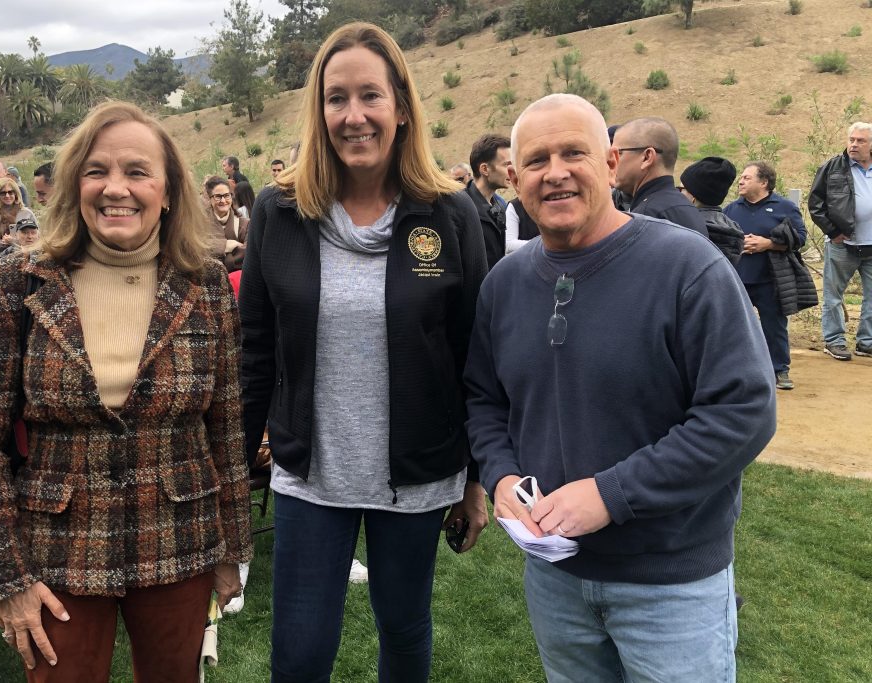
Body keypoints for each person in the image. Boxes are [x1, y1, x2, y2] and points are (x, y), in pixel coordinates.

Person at [464, 94, 776, 682]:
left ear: (611, 165)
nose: (555, 172)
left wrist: (611, 494)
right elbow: (484, 400)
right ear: (513, 178)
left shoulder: (688, 268)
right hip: (555, 579)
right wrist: (501, 475)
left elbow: (743, 412)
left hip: (671, 581)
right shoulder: (503, 285)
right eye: (536, 160)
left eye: (573, 152)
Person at [0, 100, 253, 682]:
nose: (117, 188)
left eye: (137, 171)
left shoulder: (206, 284)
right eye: (98, 171)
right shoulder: (19, 282)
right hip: (56, 550)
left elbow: (226, 427)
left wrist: (231, 549)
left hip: (181, 540)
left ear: (167, 191)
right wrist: (7, 580)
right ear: (74, 185)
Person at [239, 22, 489, 682]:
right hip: (310, 471)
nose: (354, 116)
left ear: (401, 107)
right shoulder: (278, 210)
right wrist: (236, 469)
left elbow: (476, 357)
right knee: (299, 648)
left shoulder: (451, 213)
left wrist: (478, 479)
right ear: (318, 113)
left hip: (417, 471)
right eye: (336, 98)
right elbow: (255, 350)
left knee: (404, 630)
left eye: (370, 96)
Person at [724, 161, 807, 390]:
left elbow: (800, 239)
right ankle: (735, 371)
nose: (740, 181)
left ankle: (779, 370)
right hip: (738, 279)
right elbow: (720, 239)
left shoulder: (784, 207)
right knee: (733, 327)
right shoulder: (731, 209)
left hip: (771, 279)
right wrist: (739, 245)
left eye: (747, 178)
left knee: (774, 326)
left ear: (764, 182)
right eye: (741, 178)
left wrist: (768, 243)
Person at [808, 121, 872, 361]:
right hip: (842, 245)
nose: (854, 145)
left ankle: (866, 342)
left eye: (861, 141)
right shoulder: (833, 167)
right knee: (833, 296)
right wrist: (833, 232)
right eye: (852, 140)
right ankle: (834, 341)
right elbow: (816, 203)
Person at [612, 117, 709, 236]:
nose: (611, 161)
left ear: (647, 157)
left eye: (619, 153)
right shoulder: (685, 206)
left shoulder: (647, 217)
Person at [678, 156, 744, 265]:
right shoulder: (733, 227)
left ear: (693, 196)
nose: (678, 193)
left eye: (680, 189)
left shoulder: (687, 227)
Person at [464, 134, 511, 269]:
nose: (512, 170)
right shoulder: (459, 208)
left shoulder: (502, 205)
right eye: (506, 165)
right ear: (484, 169)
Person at [0, 177, 37, 263]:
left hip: (23, 261)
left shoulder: (27, 213)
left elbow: (37, 238)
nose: (7, 196)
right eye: (3, 193)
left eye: (10, 192)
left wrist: (14, 241)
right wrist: (3, 243)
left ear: (16, 193)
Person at [204, 176, 249, 272]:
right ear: (209, 198)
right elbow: (196, 250)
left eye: (226, 195)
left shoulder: (245, 223)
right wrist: (225, 245)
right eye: (218, 197)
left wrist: (214, 249)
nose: (223, 201)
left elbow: (249, 252)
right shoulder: (200, 224)